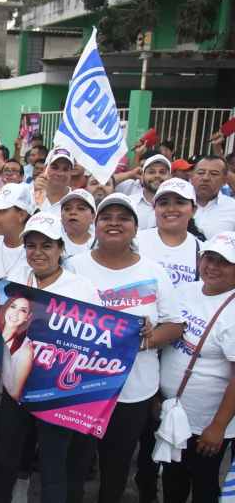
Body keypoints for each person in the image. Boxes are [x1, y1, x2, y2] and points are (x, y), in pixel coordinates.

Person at [68, 193, 185, 503]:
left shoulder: (154, 271)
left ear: (135, 227)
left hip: (134, 390)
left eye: (123, 218)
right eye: (107, 217)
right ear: (96, 225)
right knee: (76, 464)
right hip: (80, 386)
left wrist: (148, 339)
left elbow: (175, 325)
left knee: (116, 465)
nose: (114, 223)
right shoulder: (73, 267)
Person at [0, 212, 100, 503]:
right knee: (6, 459)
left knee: (54, 464)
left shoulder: (82, 289)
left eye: (46, 246)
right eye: (31, 246)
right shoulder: (14, 282)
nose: (37, 253)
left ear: (60, 249)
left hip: (56, 393)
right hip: (15, 388)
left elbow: (99, 340)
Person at [159, 231, 235, 502]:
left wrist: (218, 426)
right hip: (175, 413)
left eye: (224, 262)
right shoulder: (186, 290)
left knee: (203, 484)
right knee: (173, 480)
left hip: (206, 422)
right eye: (209, 258)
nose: (212, 267)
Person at [136, 177, 206, 286]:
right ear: (154, 209)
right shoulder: (135, 242)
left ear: (193, 210)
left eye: (180, 202)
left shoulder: (203, 251)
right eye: (164, 203)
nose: (171, 209)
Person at [192, 156, 235, 239]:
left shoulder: (232, 208)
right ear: (192, 177)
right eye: (201, 173)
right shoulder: (173, 204)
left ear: (224, 181)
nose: (205, 178)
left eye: (214, 174)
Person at [127, 153, 172, 229]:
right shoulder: (129, 203)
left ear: (170, 177)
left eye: (162, 172)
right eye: (151, 172)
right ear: (142, 176)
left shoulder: (177, 207)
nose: (157, 176)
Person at [33, 148, 75, 215]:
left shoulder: (76, 201)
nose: (60, 173)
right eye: (55, 168)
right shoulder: (29, 194)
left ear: (71, 172)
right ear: (45, 168)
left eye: (65, 169)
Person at [60, 189, 96, 259]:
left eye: (81, 208)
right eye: (67, 209)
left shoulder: (100, 243)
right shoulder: (53, 240)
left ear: (93, 216)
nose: (73, 212)